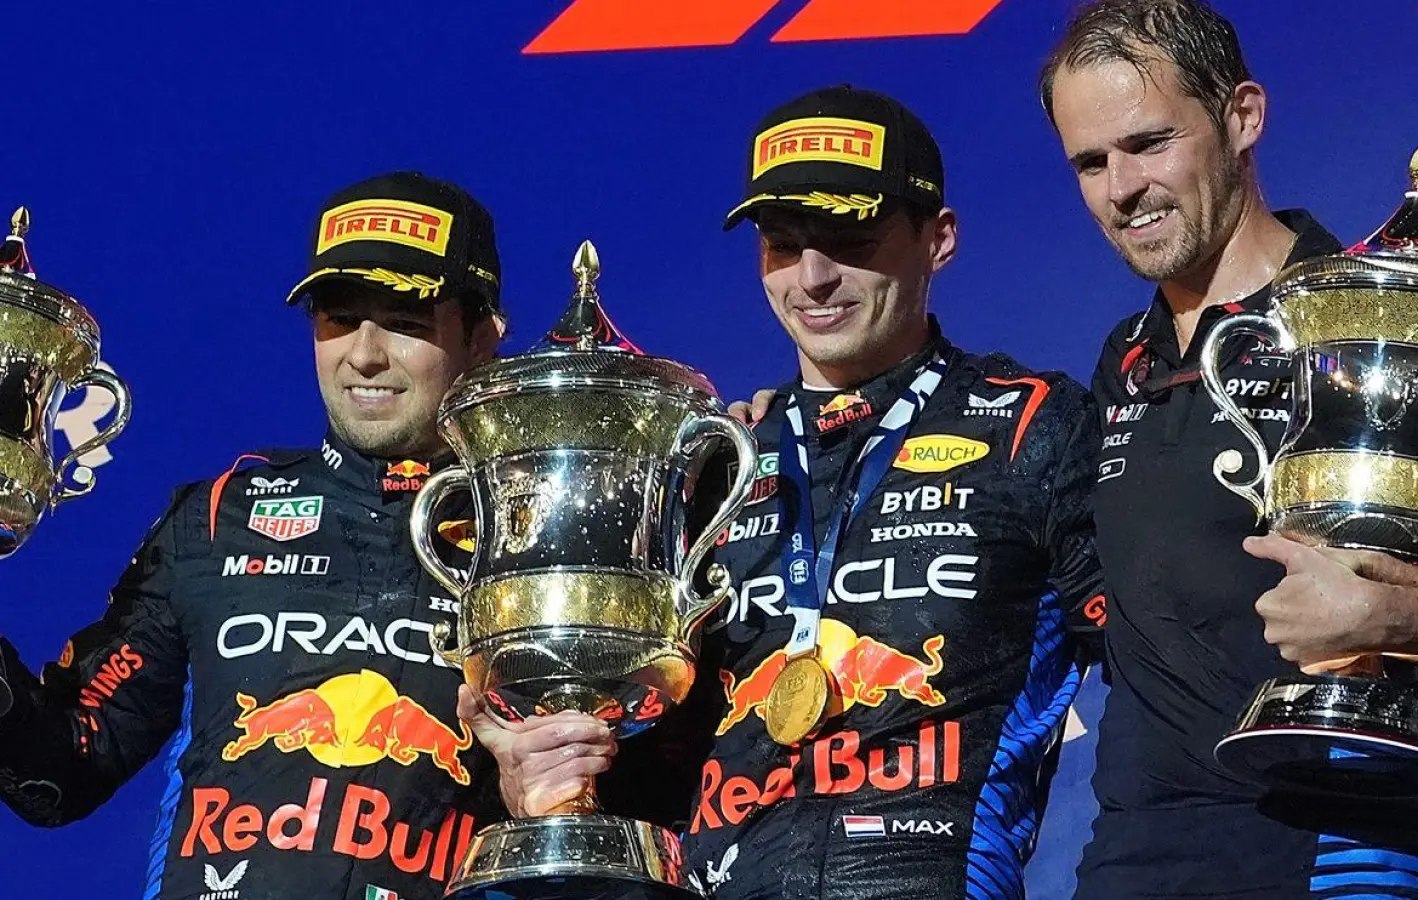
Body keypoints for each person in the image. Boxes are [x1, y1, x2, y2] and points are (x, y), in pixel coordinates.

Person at [464, 85, 1107, 900]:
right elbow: (652, 758)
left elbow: (1156, 671)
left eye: (850, 236)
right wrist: (550, 780)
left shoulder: (1033, 426)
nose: (813, 277)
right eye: (782, 241)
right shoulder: (710, 464)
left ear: (938, 239)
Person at [1037, 1, 1418, 898]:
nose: (1121, 189)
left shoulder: (1394, 329)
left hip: (1344, 858)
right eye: (1090, 162)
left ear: (1242, 117)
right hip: (1133, 862)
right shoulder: (1126, 361)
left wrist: (1397, 622)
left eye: (1149, 144)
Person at [0, 172, 511, 899]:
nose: (364, 354)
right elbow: (61, 773)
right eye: (338, 317)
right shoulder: (215, 516)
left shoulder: (537, 531)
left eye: (405, 318)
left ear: (482, 333)